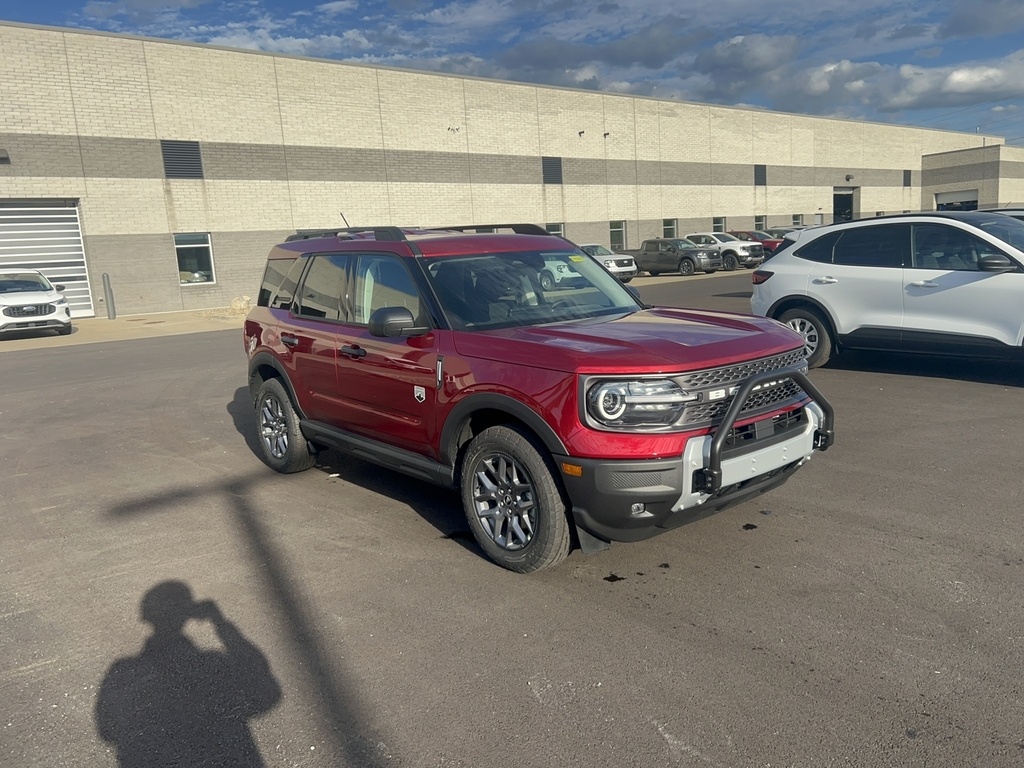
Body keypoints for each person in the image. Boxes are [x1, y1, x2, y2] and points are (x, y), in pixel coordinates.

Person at [96, 581, 281, 767]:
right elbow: (265, 691)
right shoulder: (213, 667)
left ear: (146, 616)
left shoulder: (123, 674)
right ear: (188, 614)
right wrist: (220, 622)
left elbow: (107, 729)